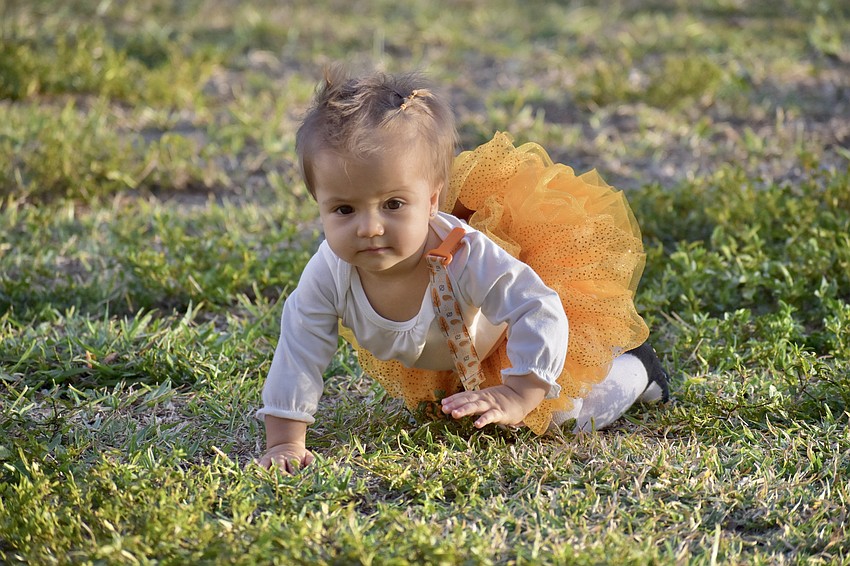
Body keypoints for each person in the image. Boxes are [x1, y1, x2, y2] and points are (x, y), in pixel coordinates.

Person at [256, 66, 668, 472]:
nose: (369, 228)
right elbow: (299, 350)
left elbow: (536, 306)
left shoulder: (464, 253)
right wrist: (285, 442)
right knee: (453, 417)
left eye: (393, 205)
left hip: (511, 337)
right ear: (319, 204)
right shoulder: (329, 273)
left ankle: (639, 369)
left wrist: (518, 394)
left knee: (554, 419)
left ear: (432, 201)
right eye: (344, 209)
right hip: (453, 355)